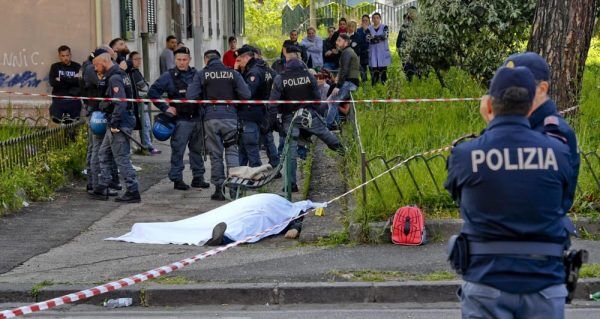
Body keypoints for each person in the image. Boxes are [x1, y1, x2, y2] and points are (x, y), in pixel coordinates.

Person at [445, 66, 574, 318]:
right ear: (530, 107)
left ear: (490, 106)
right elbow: (563, 198)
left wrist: (490, 130)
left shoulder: (465, 155)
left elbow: (459, 194)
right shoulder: (558, 153)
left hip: (486, 282)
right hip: (544, 285)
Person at [501, 52, 580, 216]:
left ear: (542, 89)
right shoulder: (513, 124)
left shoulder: (556, 133)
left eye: (517, 88)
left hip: (539, 231)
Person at [269, 45, 344, 192]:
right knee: (326, 135)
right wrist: (318, 113)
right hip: (309, 115)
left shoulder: (280, 78)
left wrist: (275, 122)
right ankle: (346, 152)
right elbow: (317, 98)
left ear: (286, 65)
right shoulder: (308, 76)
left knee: (291, 151)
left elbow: (273, 103)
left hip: (289, 118)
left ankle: (291, 184)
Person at [186, 50, 251, 200]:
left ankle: (219, 190)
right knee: (232, 152)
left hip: (211, 118)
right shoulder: (232, 73)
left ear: (206, 60)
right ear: (220, 59)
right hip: (230, 118)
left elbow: (190, 96)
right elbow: (246, 94)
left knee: (215, 155)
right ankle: (234, 189)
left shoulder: (203, 74)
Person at [148, 47, 209, 191]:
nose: (181, 63)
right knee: (178, 150)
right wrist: (165, 108)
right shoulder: (168, 76)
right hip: (181, 120)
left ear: (189, 59)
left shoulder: (197, 74)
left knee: (197, 150)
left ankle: (198, 178)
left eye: (184, 59)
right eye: (178, 60)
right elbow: (153, 92)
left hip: (197, 119)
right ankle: (177, 179)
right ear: (175, 60)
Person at [89, 49, 141, 203]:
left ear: (104, 62)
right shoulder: (120, 74)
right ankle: (102, 186)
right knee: (103, 153)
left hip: (120, 122)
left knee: (121, 157)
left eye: (96, 65)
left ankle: (133, 190)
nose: (95, 68)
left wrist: (115, 122)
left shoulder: (115, 78)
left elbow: (120, 102)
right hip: (118, 120)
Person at [235, 45, 267, 168]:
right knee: (243, 150)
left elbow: (246, 93)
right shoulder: (253, 68)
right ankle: (240, 181)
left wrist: (236, 73)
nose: (238, 64)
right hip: (249, 115)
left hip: (250, 115)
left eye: (239, 60)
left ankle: (256, 178)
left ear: (246, 57)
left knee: (251, 149)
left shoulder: (253, 72)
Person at [127, 51, 160, 155]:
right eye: (136, 59)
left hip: (141, 103)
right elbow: (144, 87)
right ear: (130, 60)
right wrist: (147, 86)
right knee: (145, 125)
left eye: (140, 59)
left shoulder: (135, 71)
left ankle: (146, 146)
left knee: (145, 125)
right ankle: (147, 147)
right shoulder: (133, 72)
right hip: (139, 104)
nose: (139, 61)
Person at [326, 34, 360, 129]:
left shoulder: (347, 52)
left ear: (346, 42)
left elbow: (344, 70)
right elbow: (343, 70)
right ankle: (335, 124)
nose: (336, 43)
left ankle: (327, 126)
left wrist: (338, 86)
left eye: (339, 40)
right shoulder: (347, 52)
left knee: (332, 101)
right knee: (330, 101)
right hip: (349, 82)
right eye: (337, 41)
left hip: (350, 83)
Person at [48, 45, 82, 124]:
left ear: (70, 55)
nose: (65, 58)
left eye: (67, 55)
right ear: (59, 56)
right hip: (58, 101)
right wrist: (72, 80)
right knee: (56, 124)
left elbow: (79, 82)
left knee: (73, 125)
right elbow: (52, 83)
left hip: (74, 101)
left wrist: (62, 79)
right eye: (63, 56)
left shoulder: (77, 66)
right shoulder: (55, 67)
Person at [365, 12, 391, 85]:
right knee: (374, 73)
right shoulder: (368, 29)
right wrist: (379, 37)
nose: (375, 19)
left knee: (383, 73)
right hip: (373, 53)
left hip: (382, 53)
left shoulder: (385, 27)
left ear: (380, 19)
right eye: (374, 18)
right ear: (372, 20)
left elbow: (385, 36)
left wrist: (374, 37)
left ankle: (384, 88)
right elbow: (368, 39)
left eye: (377, 18)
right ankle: (374, 89)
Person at [397, 14, 419, 82]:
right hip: (404, 51)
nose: (407, 20)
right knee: (406, 67)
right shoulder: (403, 27)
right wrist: (399, 49)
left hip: (413, 51)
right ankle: (409, 81)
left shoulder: (415, 27)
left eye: (409, 19)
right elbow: (399, 40)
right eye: (406, 19)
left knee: (415, 67)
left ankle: (419, 80)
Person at [357, 14, 370, 82]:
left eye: (366, 20)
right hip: (362, 53)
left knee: (372, 69)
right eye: (363, 20)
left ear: (369, 21)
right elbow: (359, 41)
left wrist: (366, 31)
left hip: (370, 52)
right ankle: (364, 82)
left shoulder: (371, 29)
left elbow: (371, 40)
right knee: (363, 70)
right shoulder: (358, 30)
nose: (364, 22)